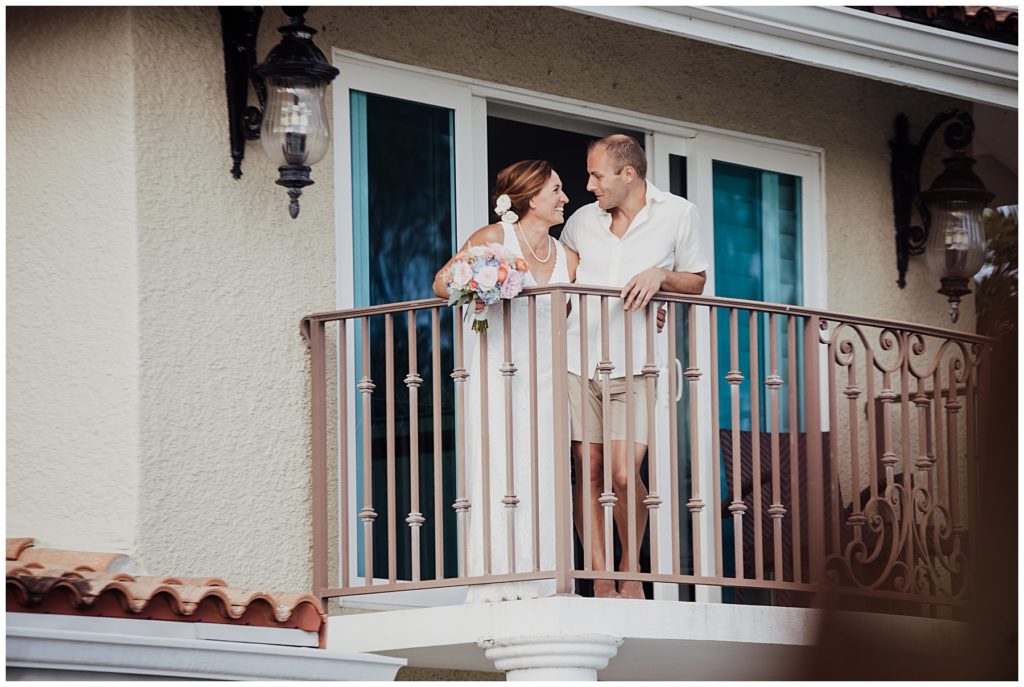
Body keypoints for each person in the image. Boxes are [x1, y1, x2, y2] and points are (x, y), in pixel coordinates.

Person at [561, 134, 708, 599]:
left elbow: (697, 279)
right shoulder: (582, 222)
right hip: (578, 361)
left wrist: (661, 277)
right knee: (590, 467)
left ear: (628, 174)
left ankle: (632, 567)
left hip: (638, 364)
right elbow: (554, 272)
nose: (589, 186)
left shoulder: (678, 213)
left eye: (596, 175)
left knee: (625, 472)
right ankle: (602, 575)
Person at [432, 160, 579, 601]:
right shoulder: (493, 238)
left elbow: (573, 316)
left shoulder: (568, 258)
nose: (565, 198)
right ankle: (496, 577)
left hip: (546, 375)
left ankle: (544, 578)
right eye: (556, 190)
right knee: (497, 461)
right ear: (532, 198)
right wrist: (479, 283)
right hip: (495, 367)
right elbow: (443, 282)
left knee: (545, 468)